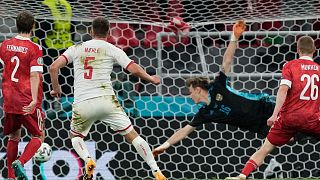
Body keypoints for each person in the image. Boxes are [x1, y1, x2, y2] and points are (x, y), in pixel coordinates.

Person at [49, 17, 166, 180]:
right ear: (109, 32)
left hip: (83, 102)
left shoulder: (76, 48)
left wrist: (56, 89)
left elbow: (53, 67)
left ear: (91, 31)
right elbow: (133, 69)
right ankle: (156, 171)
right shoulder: (112, 48)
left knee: (75, 137)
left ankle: (88, 160)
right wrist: (151, 78)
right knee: (133, 136)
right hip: (107, 101)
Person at [226, 36, 320, 180]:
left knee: (265, 149)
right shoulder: (319, 70)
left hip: (289, 118)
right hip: (312, 118)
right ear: (314, 50)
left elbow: (283, 90)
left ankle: (242, 175)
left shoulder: (290, 65)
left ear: (297, 50)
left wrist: (275, 114)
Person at [0, 11, 45, 180]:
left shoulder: (4, 45)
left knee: (13, 136)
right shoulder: (35, 48)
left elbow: (6, 65)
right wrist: (34, 99)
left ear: (16, 25)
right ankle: (21, 162)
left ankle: (11, 177)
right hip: (27, 99)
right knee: (39, 135)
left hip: (10, 99)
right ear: (33, 26)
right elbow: (35, 75)